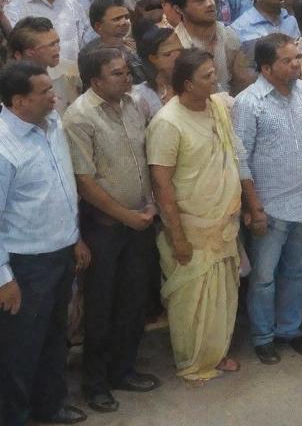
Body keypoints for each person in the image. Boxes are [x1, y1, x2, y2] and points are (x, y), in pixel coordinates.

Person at [63, 48, 159, 413]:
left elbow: (145, 158)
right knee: (101, 308)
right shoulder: (79, 118)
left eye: (126, 71)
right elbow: (85, 182)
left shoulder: (134, 104)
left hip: (140, 220)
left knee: (133, 302)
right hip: (104, 226)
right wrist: (125, 215)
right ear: (95, 81)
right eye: (117, 74)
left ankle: (124, 370)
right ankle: (96, 384)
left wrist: (149, 204)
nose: (127, 77)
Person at [0, 60, 91, 426]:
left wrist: (75, 238)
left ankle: (49, 406)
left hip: (61, 252)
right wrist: (4, 278)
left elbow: (62, 188)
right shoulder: (4, 148)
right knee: (19, 350)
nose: (54, 97)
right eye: (45, 92)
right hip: (25, 265)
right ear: (20, 101)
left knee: (56, 338)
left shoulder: (50, 124)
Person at [146, 49, 244, 381]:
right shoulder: (167, 123)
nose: (215, 79)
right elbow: (162, 185)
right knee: (194, 298)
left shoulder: (217, 106)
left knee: (223, 292)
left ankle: (216, 352)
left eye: (214, 72)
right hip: (191, 225)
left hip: (223, 220)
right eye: (207, 76)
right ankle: (193, 361)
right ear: (187, 84)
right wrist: (178, 237)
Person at [231, 35, 302, 365]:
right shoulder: (249, 103)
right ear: (266, 68)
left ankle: (289, 329)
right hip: (268, 206)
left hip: (301, 202)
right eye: (288, 60)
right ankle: (263, 336)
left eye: (297, 57)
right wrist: (254, 208)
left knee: (296, 271)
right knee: (264, 277)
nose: (296, 64)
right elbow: (240, 160)